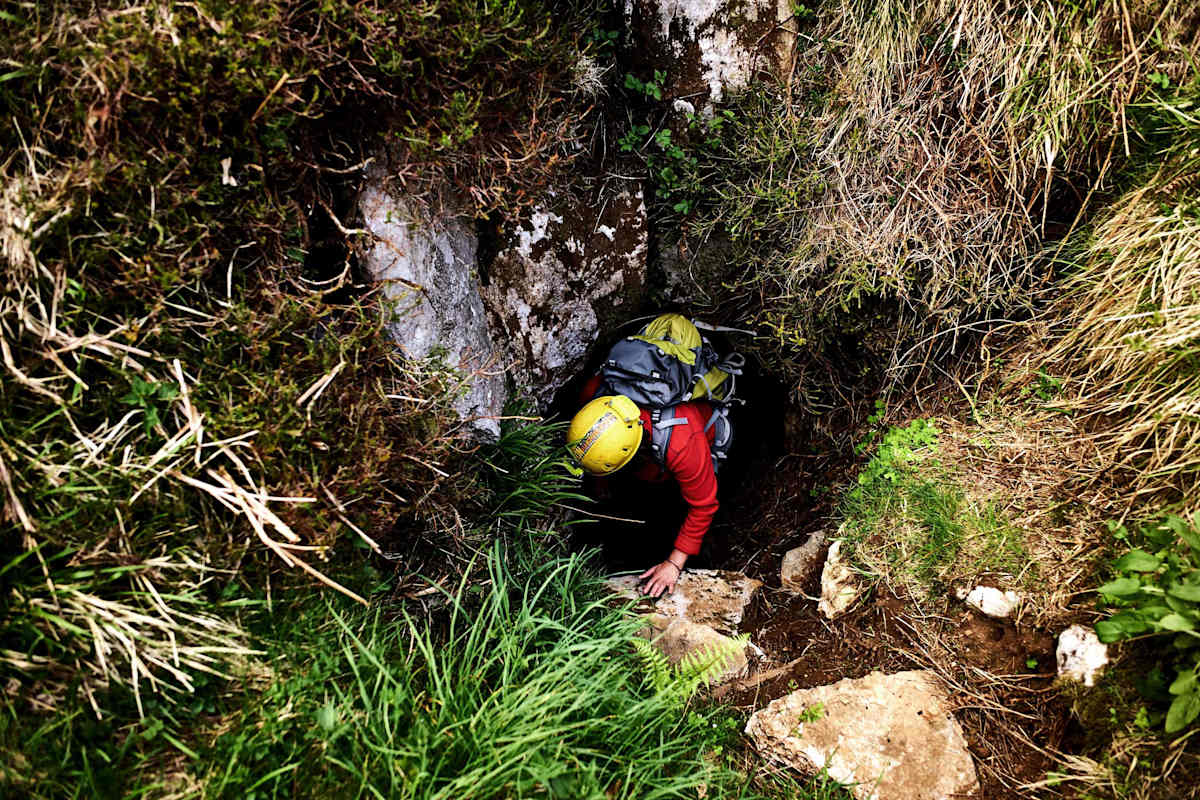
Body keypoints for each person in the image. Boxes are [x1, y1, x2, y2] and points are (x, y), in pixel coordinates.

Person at [567, 374, 723, 598]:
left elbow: (704, 506)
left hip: (696, 446)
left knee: (668, 511)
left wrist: (674, 564)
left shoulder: (681, 441)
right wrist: (600, 483)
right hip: (650, 459)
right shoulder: (595, 396)